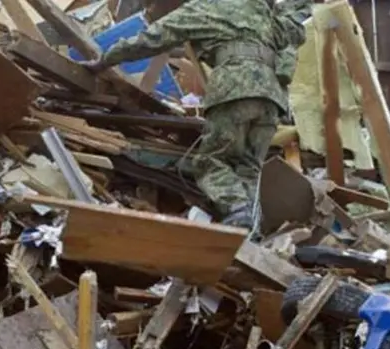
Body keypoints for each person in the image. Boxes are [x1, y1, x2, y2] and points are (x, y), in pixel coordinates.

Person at [81, 0, 312, 228]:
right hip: (273, 97)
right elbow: (294, 22)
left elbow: (152, 39)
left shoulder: (204, 7)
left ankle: (237, 209)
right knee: (248, 167)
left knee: (210, 162)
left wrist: (105, 59)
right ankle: (251, 228)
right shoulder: (258, 7)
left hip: (235, 87)